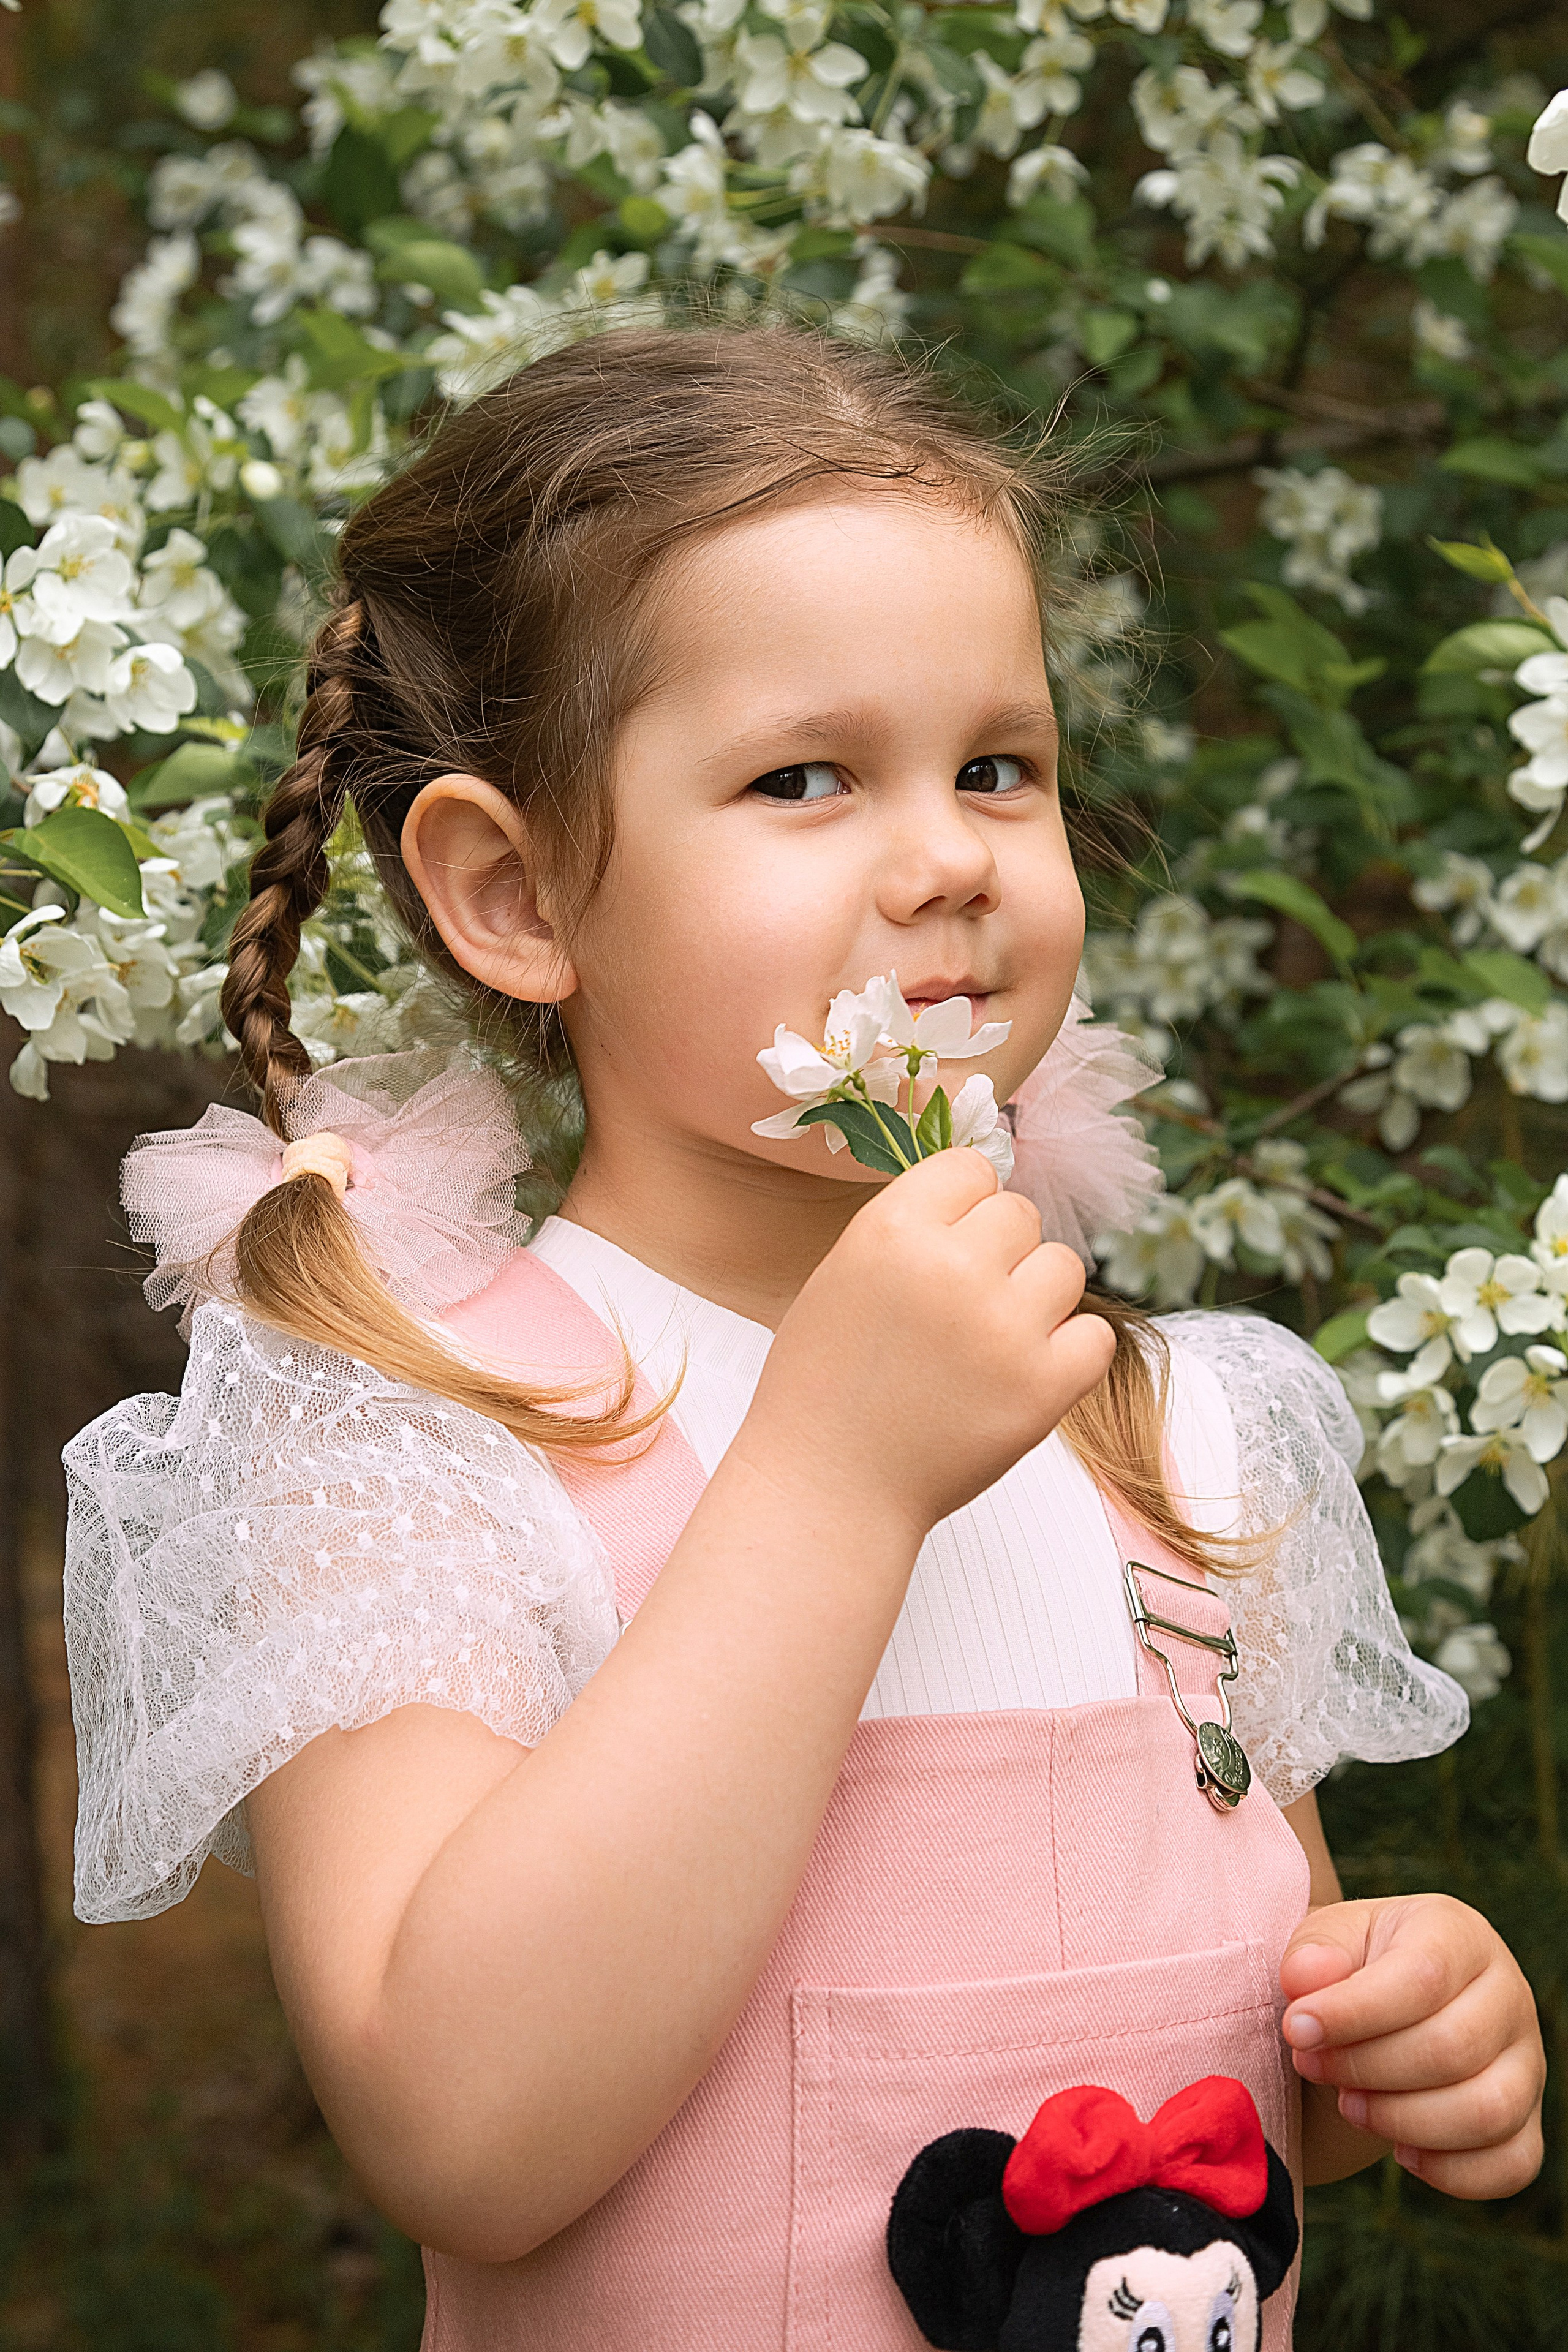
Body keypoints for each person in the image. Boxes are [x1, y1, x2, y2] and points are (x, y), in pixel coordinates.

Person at [62, 326, 1544, 2352]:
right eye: (806, 776)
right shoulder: (426, 1433)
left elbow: (1209, 2028)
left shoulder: (1175, 1431)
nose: (948, 858)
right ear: (513, 893)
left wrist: (1392, 2017)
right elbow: (466, 2133)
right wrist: (836, 1480)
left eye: (998, 767)